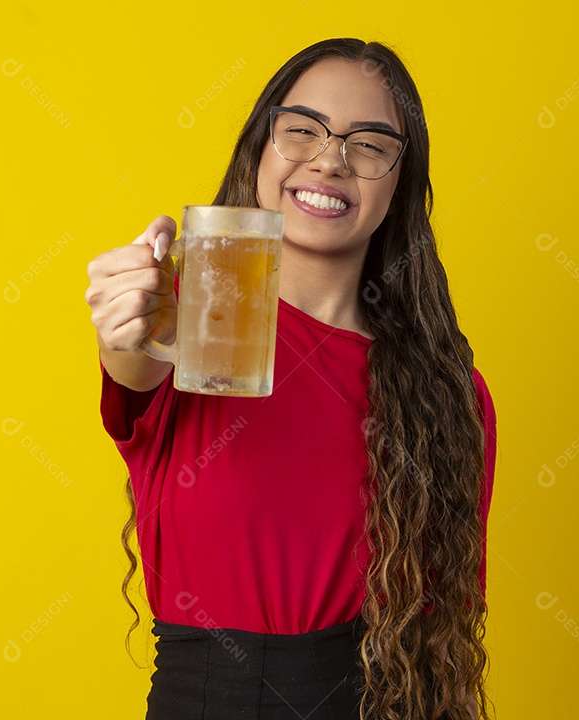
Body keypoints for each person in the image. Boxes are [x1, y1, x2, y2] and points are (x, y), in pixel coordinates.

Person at [84, 38, 498, 720]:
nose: (330, 158)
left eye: (369, 144)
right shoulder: (188, 323)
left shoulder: (450, 396)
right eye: (301, 130)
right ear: (259, 153)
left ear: (400, 185)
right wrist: (124, 326)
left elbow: (441, 639)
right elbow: (131, 363)